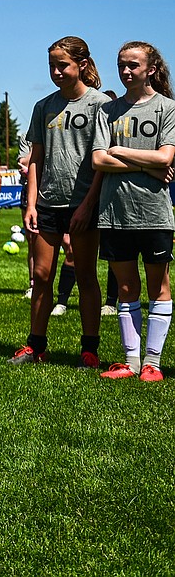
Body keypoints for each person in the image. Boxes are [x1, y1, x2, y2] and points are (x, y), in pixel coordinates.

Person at [13, 37, 110, 366]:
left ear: (81, 65)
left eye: (62, 65)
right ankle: (35, 345)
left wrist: (87, 204)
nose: (56, 72)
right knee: (41, 276)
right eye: (51, 66)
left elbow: (102, 161)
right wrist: (30, 203)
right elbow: (35, 158)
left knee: (85, 276)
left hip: (84, 204)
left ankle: (89, 348)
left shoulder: (100, 106)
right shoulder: (44, 106)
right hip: (46, 205)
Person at [94, 41, 175, 381]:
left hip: (155, 213)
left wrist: (120, 151)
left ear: (150, 69)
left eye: (133, 66)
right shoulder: (107, 111)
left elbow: (166, 158)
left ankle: (152, 363)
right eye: (122, 65)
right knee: (126, 287)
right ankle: (129, 360)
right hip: (114, 212)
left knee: (159, 285)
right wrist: (147, 166)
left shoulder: (167, 109)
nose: (126, 72)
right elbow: (98, 159)